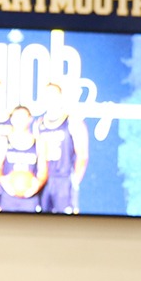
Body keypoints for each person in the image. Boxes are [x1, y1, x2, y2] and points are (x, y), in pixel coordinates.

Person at [34, 82, 88, 215]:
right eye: (47, 96)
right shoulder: (39, 124)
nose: (50, 99)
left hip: (64, 180)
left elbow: (82, 155)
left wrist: (74, 181)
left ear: (60, 98)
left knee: (65, 222)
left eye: (53, 95)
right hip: (44, 180)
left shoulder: (72, 121)